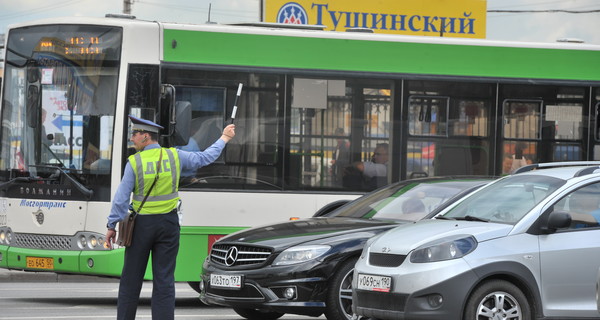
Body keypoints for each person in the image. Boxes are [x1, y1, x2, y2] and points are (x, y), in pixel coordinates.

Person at [105, 115, 236, 320]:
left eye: (134, 134)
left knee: (131, 279)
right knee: (164, 280)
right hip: (168, 224)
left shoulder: (135, 162)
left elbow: (122, 199)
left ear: (146, 137)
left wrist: (111, 225)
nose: (132, 138)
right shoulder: (175, 156)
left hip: (142, 226)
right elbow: (204, 158)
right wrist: (224, 138)